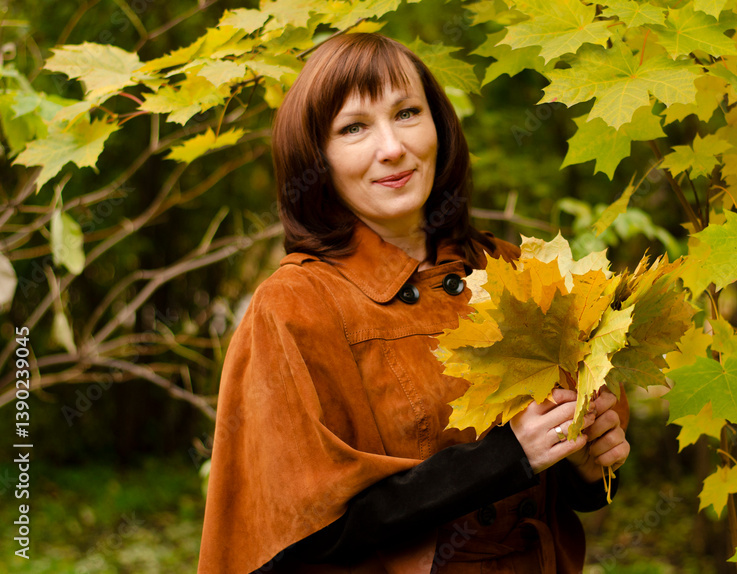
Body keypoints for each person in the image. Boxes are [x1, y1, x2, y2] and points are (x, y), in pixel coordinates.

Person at [197, 33, 631, 574]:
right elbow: (304, 533)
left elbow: (566, 491)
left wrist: (586, 465)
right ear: (317, 158)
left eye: (406, 113)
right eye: (354, 128)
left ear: (438, 127)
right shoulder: (293, 305)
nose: (392, 148)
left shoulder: (516, 269)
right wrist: (507, 457)